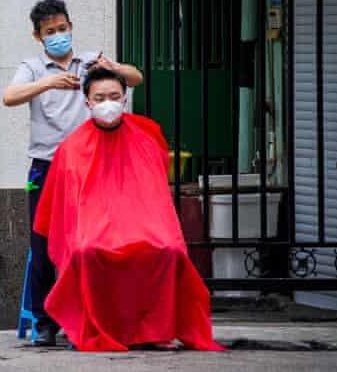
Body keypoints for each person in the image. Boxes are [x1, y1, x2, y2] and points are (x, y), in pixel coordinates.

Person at [32, 67, 224, 352]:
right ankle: (95, 327)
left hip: (142, 223)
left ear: (124, 100)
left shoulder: (145, 138)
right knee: (86, 251)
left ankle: (156, 330)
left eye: (114, 96)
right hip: (93, 227)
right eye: (100, 98)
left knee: (168, 249)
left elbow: (154, 195)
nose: (107, 102)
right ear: (88, 103)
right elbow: (65, 209)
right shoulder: (72, 148)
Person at [2, 0, 143, 346]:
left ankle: (96, 314)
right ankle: (44, 321)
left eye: (62, 29)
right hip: (47, 168)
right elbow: (9, 96)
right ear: (38, 37)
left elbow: (135, 77)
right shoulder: (33, 67)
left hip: (92, 166)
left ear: (71, 26)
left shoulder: (91, 61)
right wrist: (48, 83)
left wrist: (115, 68)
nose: (58, 36)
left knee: (96, 242)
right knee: (44, 245)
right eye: (50, 32)